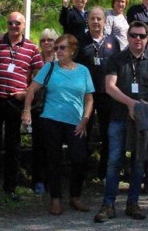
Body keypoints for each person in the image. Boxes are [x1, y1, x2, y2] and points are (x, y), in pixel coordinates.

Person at [96, 21, 148, 222]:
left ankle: (133, 202)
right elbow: (110, 87)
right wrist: (131, 104)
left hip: (142, 117)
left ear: (147, 38)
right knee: (114, 160)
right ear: (129, 36)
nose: (137, 39)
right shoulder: (116, 59)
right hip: (118, 116)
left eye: (142, 36)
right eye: (134, 35)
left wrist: (146, 108)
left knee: (139, 160)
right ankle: (108, 204)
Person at [22, 34, 94, 215]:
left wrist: (85, 120)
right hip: (50, 119)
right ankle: (55, 199)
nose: (58, 51)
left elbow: (89, 98)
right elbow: (32, 89)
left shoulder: (83, 71)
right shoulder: (49, 67)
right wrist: (26, 110)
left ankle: (75, 196)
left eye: (62, 48)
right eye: (56, 48)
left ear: (72, 49)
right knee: (53, 159)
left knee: (79, 158)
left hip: (75, 122)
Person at [0, 12, 43, 201]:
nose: (13, 26)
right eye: (10, 23)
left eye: (17, 23)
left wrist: (26, 95)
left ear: (24, 25)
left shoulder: (32, 48)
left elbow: (37, 75)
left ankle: (10, 187)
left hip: (15, 101)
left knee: (12, 144)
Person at [76, 7, 120, 186]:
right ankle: (82, 174)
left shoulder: (113, 41)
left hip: (107, 94)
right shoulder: (81, 41)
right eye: (92, 19)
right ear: (88, 21)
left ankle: (104, 173)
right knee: (82, 134)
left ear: (104, 21)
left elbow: (117, 65)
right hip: (86, 94)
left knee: (107, 134)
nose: (95, 22)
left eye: (99, 19)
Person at [30, 29, 59, 194]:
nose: (47, 43)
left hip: (56, 107)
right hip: (39, 107)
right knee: (38, 145)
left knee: (53, 146)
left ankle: (52, 180)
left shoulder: (61, 59)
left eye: (50, 40)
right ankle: (38, 180)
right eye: (43, 40)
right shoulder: (35, 59)